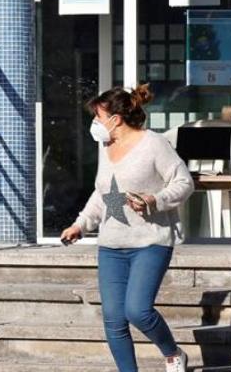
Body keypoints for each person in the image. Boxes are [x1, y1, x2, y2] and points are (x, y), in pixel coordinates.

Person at [60, 85, 192, 372]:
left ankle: (173, 354)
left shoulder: (154, 144)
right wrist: (80, 225)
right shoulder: (106, 148)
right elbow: (103, 193)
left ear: (116, 119)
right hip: (111, 246)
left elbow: (184, 183)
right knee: (114, 318)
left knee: (137, 311)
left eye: (98, 116)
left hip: (150, 242)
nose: (94, 123)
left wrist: (154, 200)